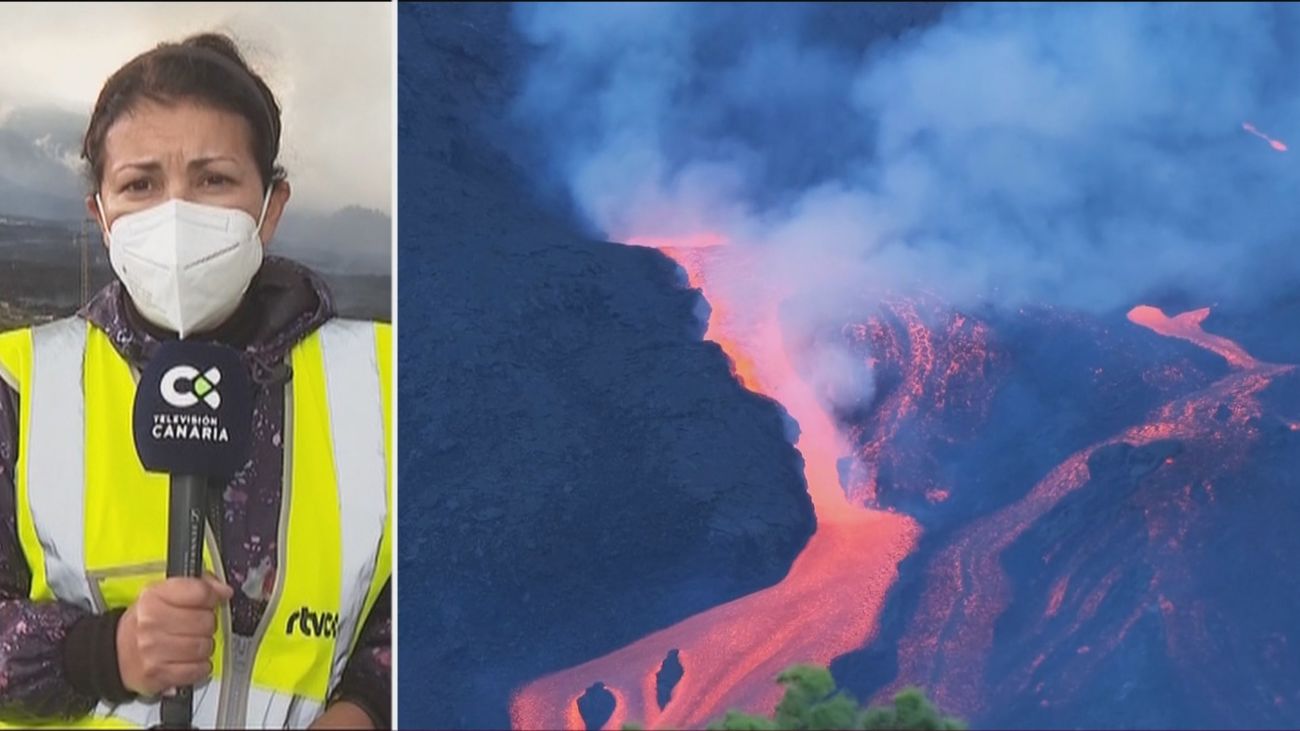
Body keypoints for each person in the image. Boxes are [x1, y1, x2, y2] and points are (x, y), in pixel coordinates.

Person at [0, 33, 391, 729]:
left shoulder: (385, 378)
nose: (176, 214)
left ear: (270, 205)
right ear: (102, 216)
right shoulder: (19, 387)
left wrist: (365, 707)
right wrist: (100, 652)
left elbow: (447, 585)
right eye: (140, 184)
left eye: (213, 179)